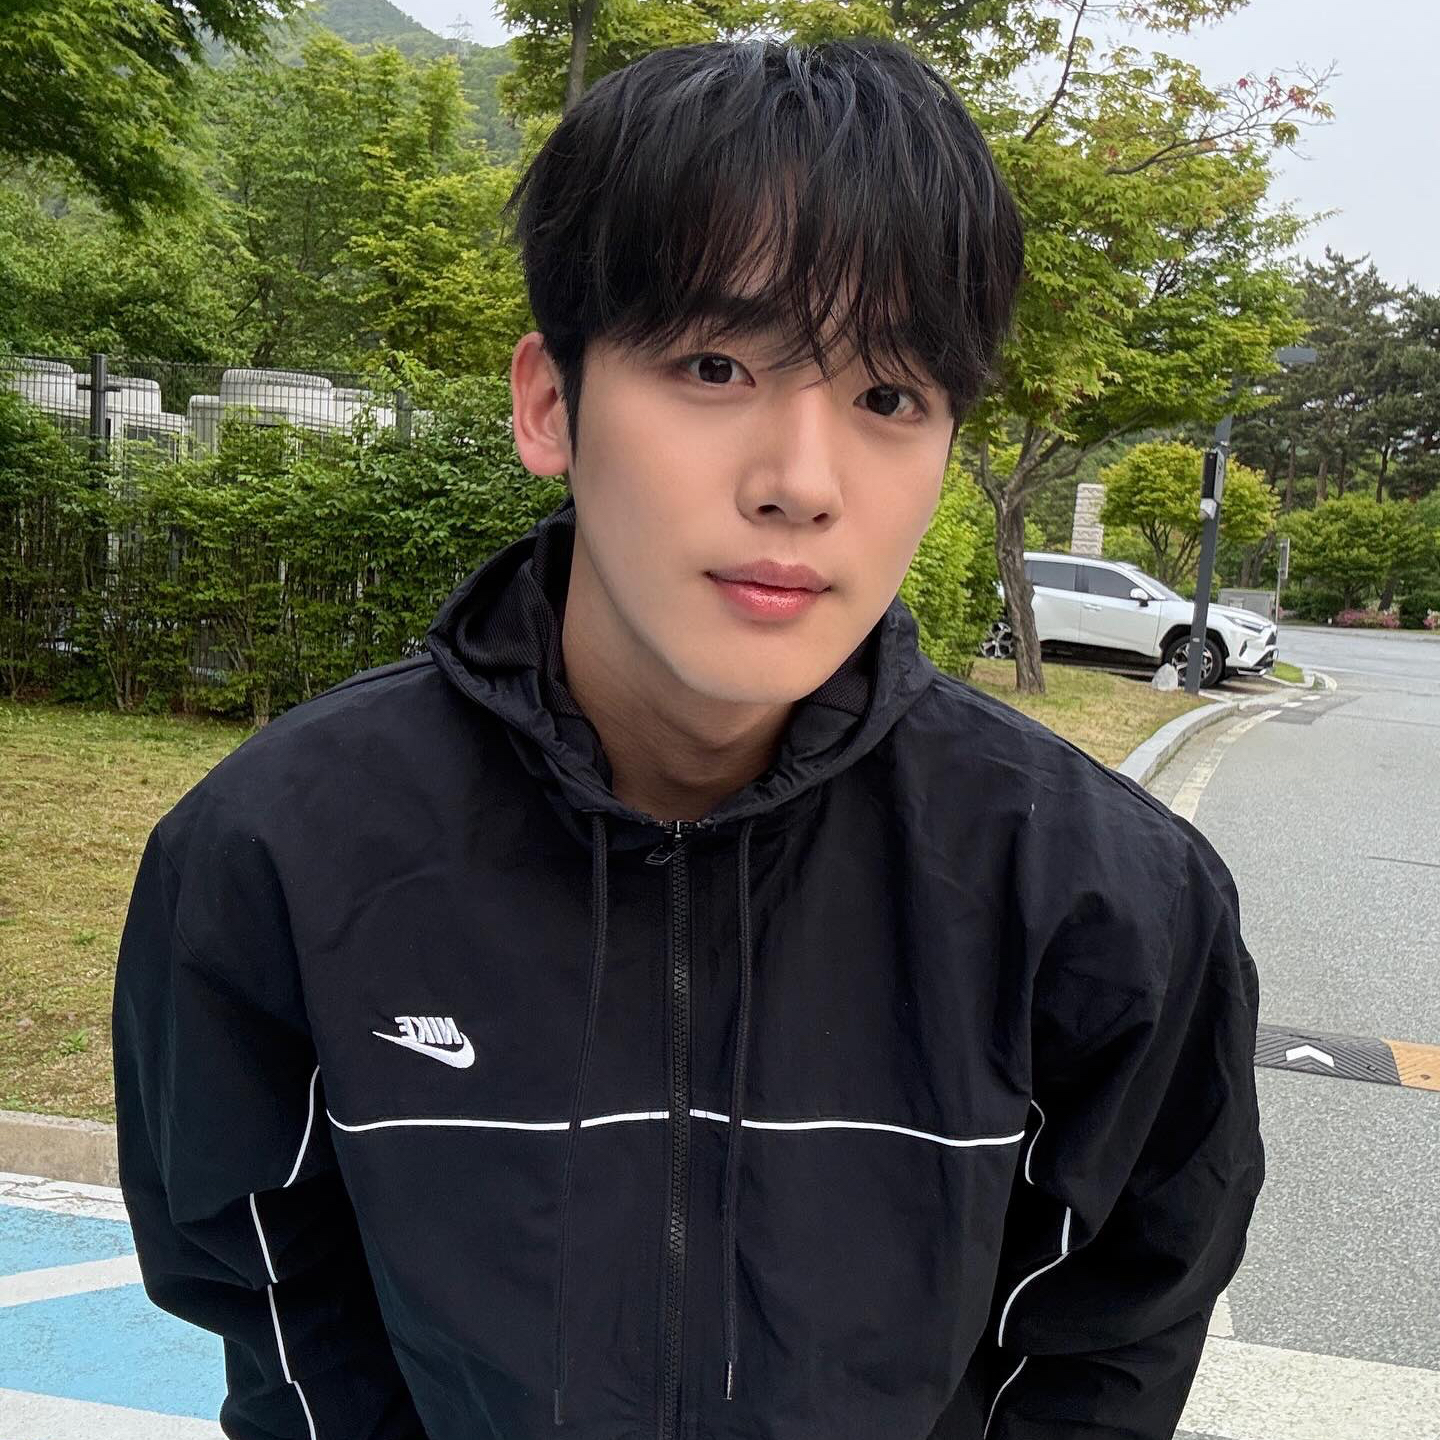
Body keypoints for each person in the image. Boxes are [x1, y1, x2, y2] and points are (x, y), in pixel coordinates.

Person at [111, 35, 1264, 1440]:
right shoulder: (277, 856)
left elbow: (1108, 1345)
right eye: (715, 365)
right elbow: (280, 1319)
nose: (800, 482)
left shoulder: (1105, 903)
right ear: (550, 403)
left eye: (889, 397)